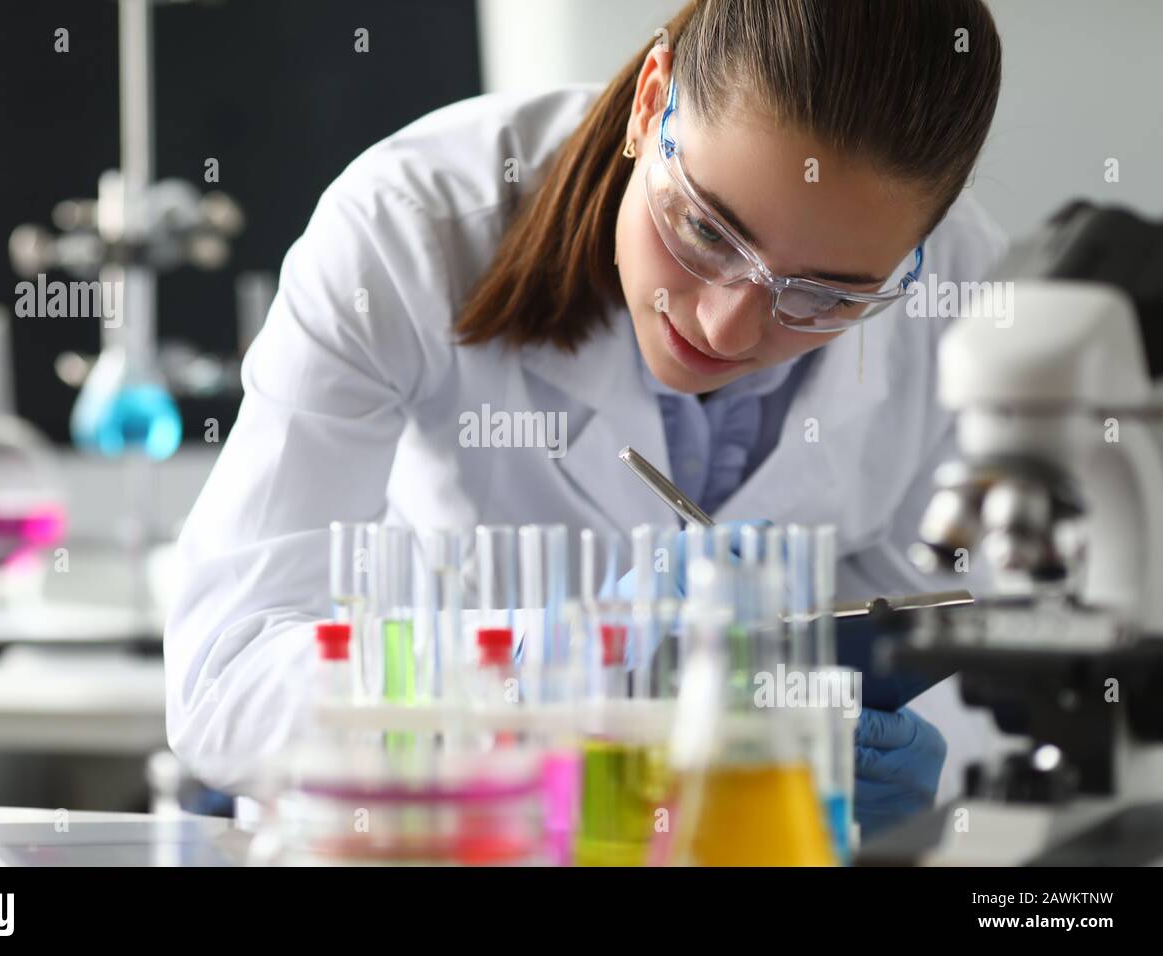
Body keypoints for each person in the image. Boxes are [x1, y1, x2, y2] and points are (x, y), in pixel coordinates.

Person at [166, 0, 1008, 836]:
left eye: (826, 295)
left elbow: (968, 660)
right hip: (434, 845)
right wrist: (560, 667)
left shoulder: (961, 297)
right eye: (707, 230)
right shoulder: (408, 226)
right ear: (652, 101)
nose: (726, 326)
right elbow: (224, 684)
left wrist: (909, 781)